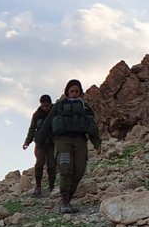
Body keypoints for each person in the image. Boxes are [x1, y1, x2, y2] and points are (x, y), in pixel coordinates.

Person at [35, 79, 102, 214]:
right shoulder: (59, 106)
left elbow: (92, 127)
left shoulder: (86, 108)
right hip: (62, 141)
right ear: (67, 92)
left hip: (80, 140)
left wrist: (97, 143)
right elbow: (47, 124)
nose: (74, 93)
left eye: (77, 91)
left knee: (79, 170)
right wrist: (38, 143)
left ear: (81, 93)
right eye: (72, 91)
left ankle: (67, 199)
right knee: (65, 170)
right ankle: (64, 202)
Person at [22, 94, 57, 196]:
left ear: (50, 104)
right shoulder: (37, 115)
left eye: (47, 106)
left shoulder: (55, 112)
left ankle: (51, 186)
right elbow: (32, 129)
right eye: (43, 106)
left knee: (52, 165)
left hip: (52, 143)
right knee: (39, 164)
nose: (45, 108)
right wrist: (27, 142)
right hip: (41, 143)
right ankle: (38, 187)